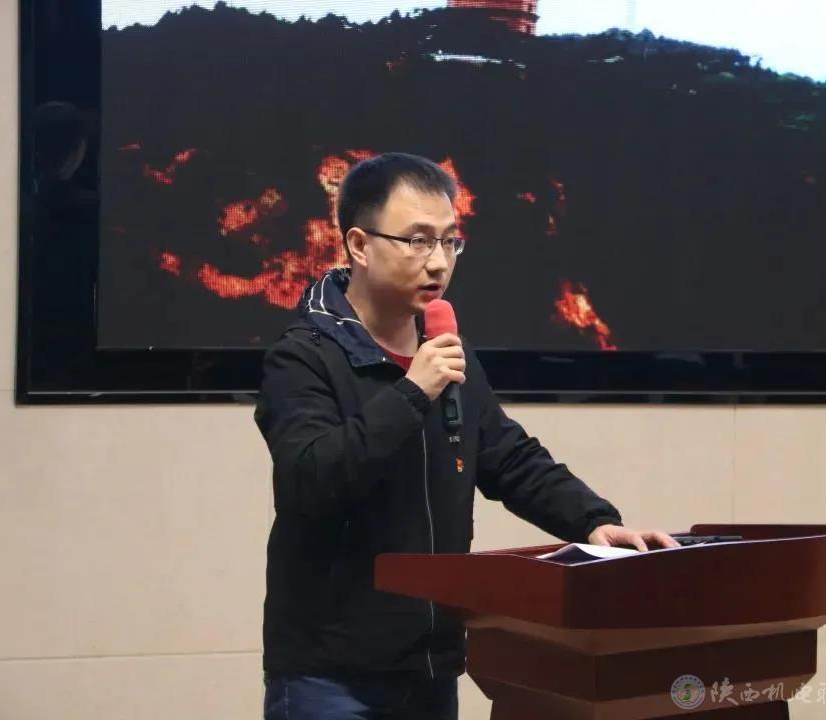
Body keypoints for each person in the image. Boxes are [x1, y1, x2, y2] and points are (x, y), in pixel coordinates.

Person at [254, 152, 678, 719]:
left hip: (431, 666)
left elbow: (508, 456)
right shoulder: (304, 356)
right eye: (417, 241)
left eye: (449, 242)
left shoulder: (444, 350)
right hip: (330, 674)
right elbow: (310, 480)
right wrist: (413, 391)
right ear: (359, 245)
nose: (438, 262)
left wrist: (593, 523)